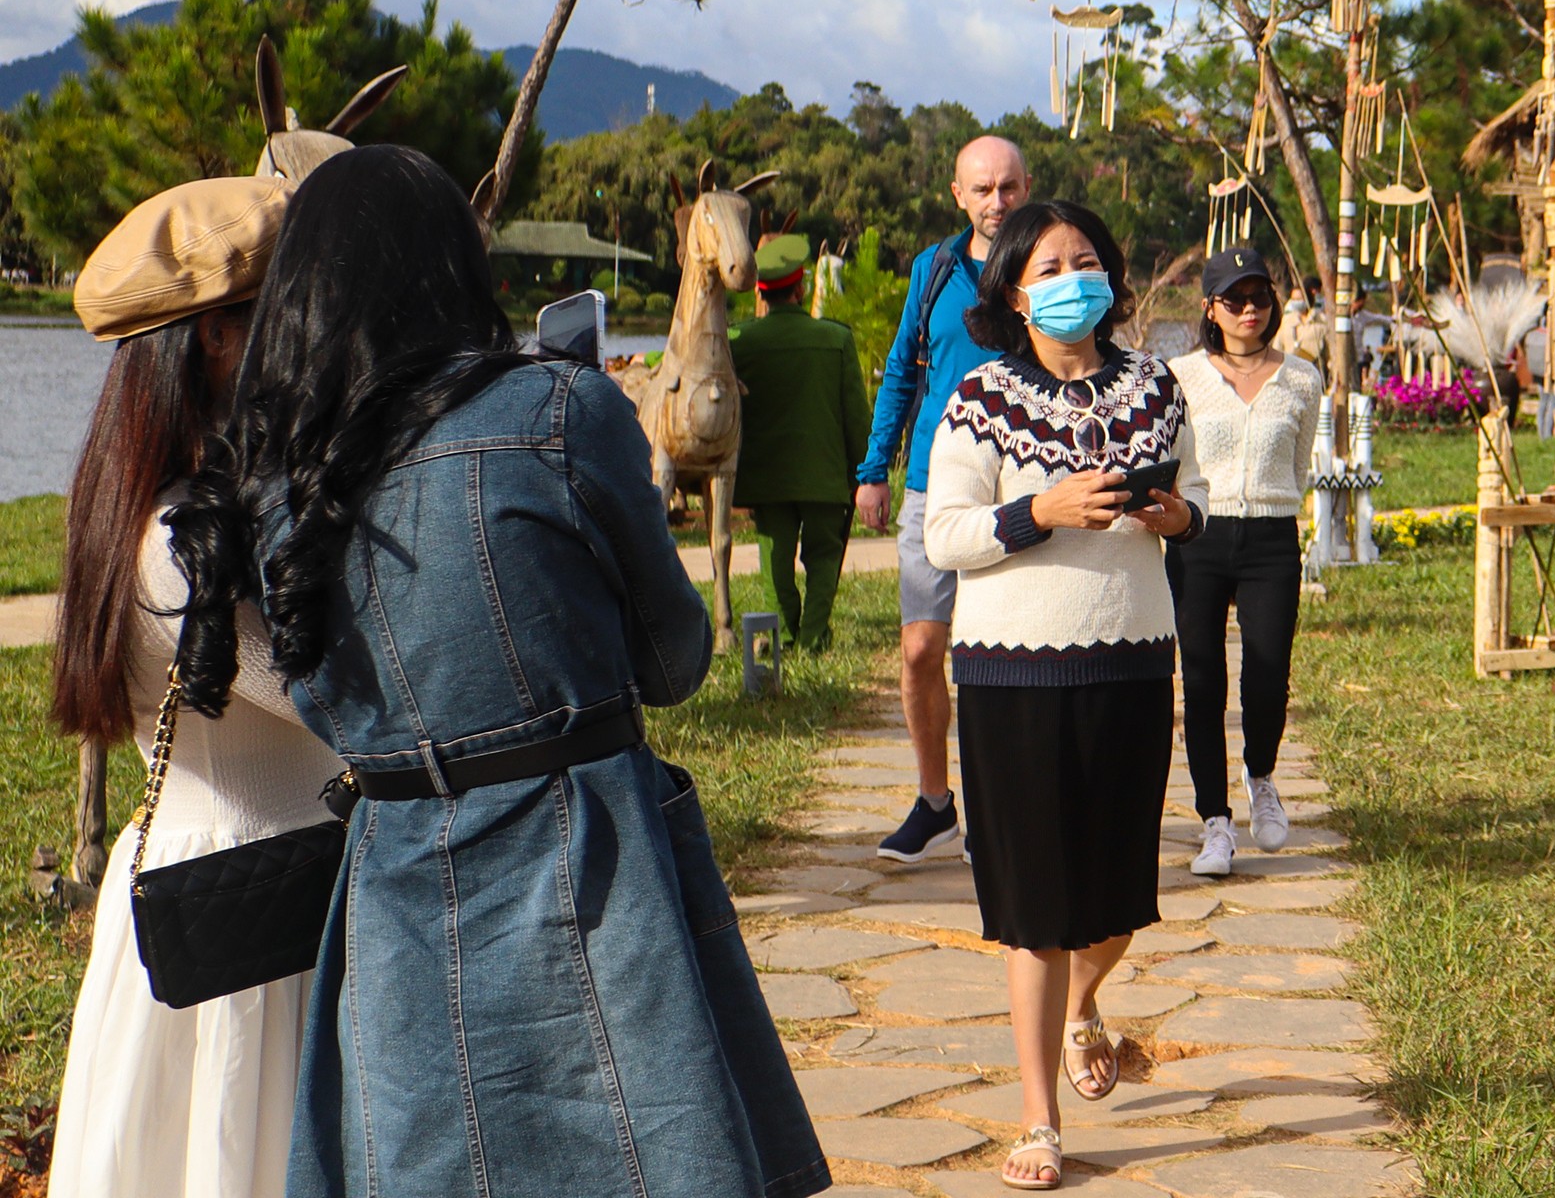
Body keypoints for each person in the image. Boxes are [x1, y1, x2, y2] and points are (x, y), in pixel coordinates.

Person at [172, 145, 823, 1198]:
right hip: (589, 861)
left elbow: (326, 701)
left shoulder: (280, 483)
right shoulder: (562, 412)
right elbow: (676, 660)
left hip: (392, 883)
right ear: (454, 270)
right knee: (636, 1155)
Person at [923, 201, 1205, 1191]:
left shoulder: (1155, 384)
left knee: (1121, 899)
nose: (1073, 278)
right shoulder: (979, 397)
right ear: (1011, 289)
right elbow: (943, 537)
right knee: (1036, 908)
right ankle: (1040, 1122)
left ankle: (1085, 1002)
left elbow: (1195, 491)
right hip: (1009, 675)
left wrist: (1179, 515)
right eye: (1050, 265)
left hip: (1130, 666)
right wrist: (1036, 509)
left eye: (1087, 262)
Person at [50, 176, 321, 1198]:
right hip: (241, 924)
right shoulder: (177, 537)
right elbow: (331, 704)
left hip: (250, 900)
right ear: (216, 339)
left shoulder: (190, 503)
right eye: (292, 319)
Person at [855, 134, 1029, 862]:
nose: (997, 202)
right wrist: (873, 469)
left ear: (1028, 187)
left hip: (1023, 486)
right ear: (957, 195)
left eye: (1009, 187)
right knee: (924, 648)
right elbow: (901, 372)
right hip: (935, 485)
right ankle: (935, 803)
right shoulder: (934, 270)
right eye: (982, 189)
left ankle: (1004, 806)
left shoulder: (1045, 264)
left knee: (1008, 655)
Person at [1167, 246, 1321, 878]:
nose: (1250, 309)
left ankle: (1262, 776)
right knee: (1202, 681)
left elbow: (1301, 461)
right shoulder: (1179, 375)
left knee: (1266, 673)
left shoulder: (1304, 377)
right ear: (1211, 308)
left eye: (1260, 297)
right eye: (1235, 299)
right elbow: (1170, 457)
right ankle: (1215, 823)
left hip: (1271, 539)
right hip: (1199, 535)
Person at [731, 231, 867, 652]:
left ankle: (784, 635)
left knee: (775, 557)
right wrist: (862, 472)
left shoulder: (739, 341)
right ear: (802, 286)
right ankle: (813, 638)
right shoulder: (836, 338)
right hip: (825, 474)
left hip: (767, 476)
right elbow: (856, 416)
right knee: (823, 557)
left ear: (760, 291)